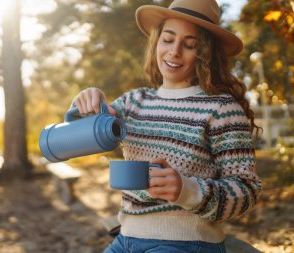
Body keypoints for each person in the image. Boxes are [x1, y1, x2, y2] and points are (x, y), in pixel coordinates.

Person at [72, 0, 262, 252]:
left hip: (187, 242)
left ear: (206, 53)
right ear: (156, 42)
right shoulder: (133, 102)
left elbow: (247, 191)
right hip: (125, 240)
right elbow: (78, 139)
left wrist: (187, 190)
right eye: (168, 39)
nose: (174, 51)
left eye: (190, 44)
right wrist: (86, 104)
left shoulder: (221, 108)